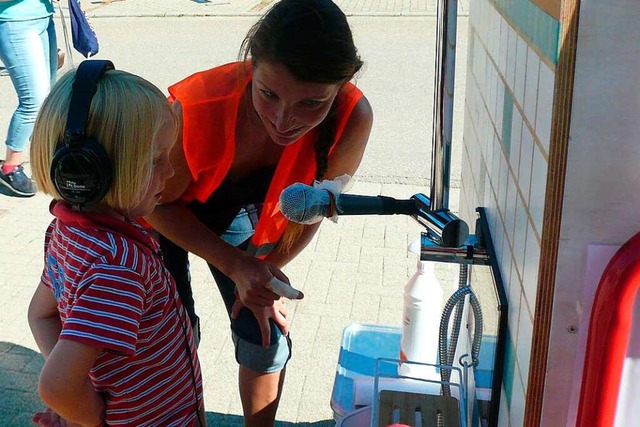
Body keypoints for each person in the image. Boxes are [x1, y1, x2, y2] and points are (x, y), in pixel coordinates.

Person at [145, 0, 374, 424]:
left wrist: (261, 276)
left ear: (343, 85)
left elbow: (314, 209)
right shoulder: (195, 107)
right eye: (268, 93)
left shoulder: (353, 118)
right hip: (165, 212)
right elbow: (157, 204)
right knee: (169, 337)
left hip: (243, 216)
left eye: (312, 104)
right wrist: (235, 264)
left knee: (266, 334)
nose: (284, 120)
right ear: (252, 66)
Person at [27, 61, 206, 426]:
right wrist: (85, 417)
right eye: (156, 161)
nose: (170, 172)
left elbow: (41, 315)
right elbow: (58, 386)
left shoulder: (68, 232)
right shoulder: (119, 267)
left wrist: (77, 401)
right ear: (94, 170)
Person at [0, 0, 59, 197]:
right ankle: (10, 167)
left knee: (49, 97)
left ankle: (44, 158)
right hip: (15, 21)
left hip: (43, 17)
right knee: (34, 101)